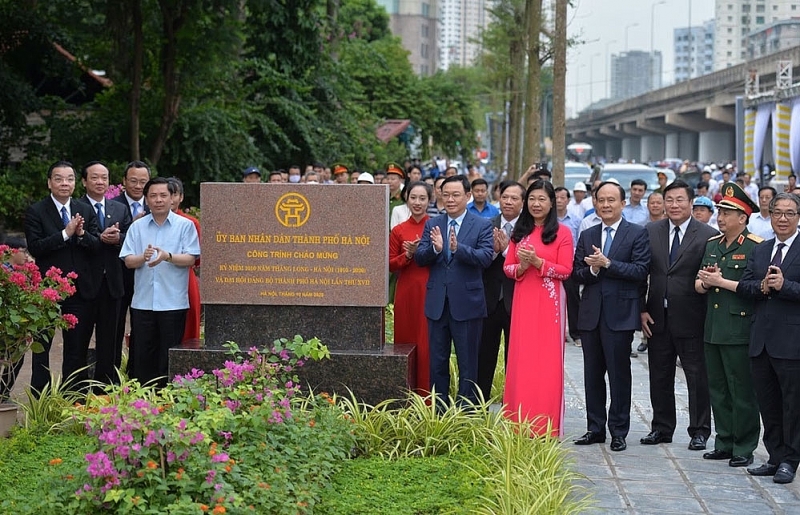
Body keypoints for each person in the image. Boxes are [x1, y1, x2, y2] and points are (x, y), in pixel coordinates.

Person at [640, 180, 719, 450]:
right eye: (669, 200)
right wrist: (641, 309)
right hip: (656, 317)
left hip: (692, 317)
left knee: (697, 378)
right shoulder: (651, 231)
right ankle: (661, 428)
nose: (674, 205)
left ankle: (699, 431)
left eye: (679, 200)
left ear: (691, 202)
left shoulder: (707, 234)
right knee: (659, 376)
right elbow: (642, 273)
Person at [572, 181, 650, 451]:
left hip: (620, 315)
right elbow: (576, 273)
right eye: (601, 200)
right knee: (592, 375)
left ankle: (619, 430)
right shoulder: (587, 234)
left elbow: (640, 271)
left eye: (611, 200)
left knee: (619, 375)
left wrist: (608, 264)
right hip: (591, 314)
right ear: (595, 203)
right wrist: (592, 271)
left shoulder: (637, 233)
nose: (605, 205)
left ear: (622, 203)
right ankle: (595, 428)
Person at [695, 182, 762, 468]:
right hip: (713, 327)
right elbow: (699, 284)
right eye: (720, 211)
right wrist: (704, 283)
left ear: (743, 218)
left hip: (739, 329)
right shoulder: (712, 245)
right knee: (718, 388)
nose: (720, 217)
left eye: (727, 212)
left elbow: (754, 287)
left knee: (741, 391)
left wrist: (721, 282)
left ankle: (744, 446)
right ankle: (724, 440)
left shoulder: (755, 247)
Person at [737, 192, 800, 484]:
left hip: (792, 342)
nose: (783, 218)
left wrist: (785, 286)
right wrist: (762, 286)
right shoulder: (761, 250)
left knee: (792, 405)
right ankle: (774, 456)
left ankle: (790, 459)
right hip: (761, 340)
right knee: (768, 403)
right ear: (770, 215)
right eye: (778, 213)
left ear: (798, 217)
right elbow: (745, 286)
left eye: (789, 213)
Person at [415, 175, 494, 407]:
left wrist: (458, 249)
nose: (450, 199)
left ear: (468, 196)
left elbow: (485, 258)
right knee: (438, 361)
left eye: (456, 195)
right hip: (438, 304)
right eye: (445, 194)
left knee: (468, 362)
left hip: (467, 304)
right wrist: (435, 250)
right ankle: (439, 410)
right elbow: (420, 258)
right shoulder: (433, 223)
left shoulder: (482, 225)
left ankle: (465, 412)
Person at [501, 179, 573, 435]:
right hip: (524, 300)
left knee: (546, 362)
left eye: (542, 199)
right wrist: (521, 267)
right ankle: (517, 421)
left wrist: (538, 262)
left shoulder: (562, 233)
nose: (536, 204)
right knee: (521, 359)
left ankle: (546, 423)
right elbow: (508, 267)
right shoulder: (519, 232)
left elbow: (566, 270)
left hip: (550, 302)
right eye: (532, 199)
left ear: (552, 202)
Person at [24, 160, 101, 393]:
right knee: (42, 346)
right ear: (49, 183)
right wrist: (64, 234)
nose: (64, 183)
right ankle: (41, 397)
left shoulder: (85, 209)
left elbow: (96, 245)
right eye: (58, 178)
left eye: (69, 178)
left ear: (75, 183)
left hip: (79, 289)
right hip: (47, 288)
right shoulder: (36, 211)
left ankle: (72, 396)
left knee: (76, 346)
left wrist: (81, 234)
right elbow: (35, 247)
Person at [120, 177, 200, 387]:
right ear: (146, 199)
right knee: (143, 357)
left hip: (173, 303)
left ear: (172, 197)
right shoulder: (137, 227)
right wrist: (143, 257)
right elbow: (128, 261)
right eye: (153, 196)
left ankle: (167, 401)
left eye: (163, 195)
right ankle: (143, 403)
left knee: (169, 357)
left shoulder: (185, 226)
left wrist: (168, 256)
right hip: (143, 303)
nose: (158, 200)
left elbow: (191, 258)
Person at [79, 161, 133, 385]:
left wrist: (118, 239)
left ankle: (106, 388)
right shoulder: (75, 207)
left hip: (113, 283)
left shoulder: (119, 208)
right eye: (94, 177)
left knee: (110, 340)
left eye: (104, 177)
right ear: (84, 181)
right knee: (78, 341)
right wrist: (100, 239)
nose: (100, 182)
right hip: (83, 284)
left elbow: (131, 238)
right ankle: (77, 390)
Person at [477, 181, 525, 401]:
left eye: (514, 198)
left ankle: (514, 408)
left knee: (515, 360)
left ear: (522, 203)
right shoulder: (486, 224)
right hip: (488, 300)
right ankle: (478, 408)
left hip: (518, 300)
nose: (508, 202)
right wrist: (494, 253)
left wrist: (507, 250)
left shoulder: (529, 228)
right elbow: (478, 261)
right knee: (484, 357)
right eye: (505, 197)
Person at [389, 182, 433, 394]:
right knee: (405, 340)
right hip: (406, 290)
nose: (417, 202)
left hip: (430, 289)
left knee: (427, 342)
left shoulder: (436, 226)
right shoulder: (398, 230)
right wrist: (407, 255)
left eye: (422, 198)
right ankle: (403, 393)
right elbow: (389, 263)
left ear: (429, 201)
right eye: (413, 197)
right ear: (406, 198)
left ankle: (426, 395)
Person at [110, 160, 151, 377]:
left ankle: (137, 374)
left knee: (142, 330)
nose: (138, 186)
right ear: (124, 181)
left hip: (147, 279)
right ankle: (113, 376)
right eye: (133, 181)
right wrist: (132, 227)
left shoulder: (156, 205)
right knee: (114, 329)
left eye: (143, 182)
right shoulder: (112, 205)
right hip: (116, 277)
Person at [167, 178, 202, 344]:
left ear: (181, 197)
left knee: (189, 320)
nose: (171, 199)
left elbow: (198, 258)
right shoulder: (146, 221)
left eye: (174, 194)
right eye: (167, 194)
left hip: (185, 277)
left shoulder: (191, 222)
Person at [0, 236, 34, 400]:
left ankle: (3, 391)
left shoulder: (24, 272)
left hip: (17, 326)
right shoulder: (3, 272)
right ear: (12, 252)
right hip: (4, 323)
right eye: (23, 251)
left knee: (17, 358)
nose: (26, 256)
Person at [555, 186, 582, 345]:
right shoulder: (547, 221)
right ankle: (557, 332)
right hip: (550, 264)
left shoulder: (575, 220)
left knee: (572, 298)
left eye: (562, 198)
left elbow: (579, 243)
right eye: (556, 197)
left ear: (568, 200)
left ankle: (576, 333)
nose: (559, 200)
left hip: (569, 264)